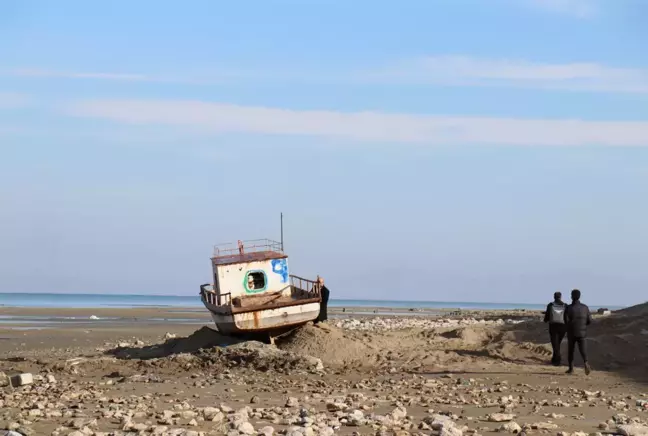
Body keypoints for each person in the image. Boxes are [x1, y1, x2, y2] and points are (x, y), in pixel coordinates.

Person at [565, 289, 592, 375]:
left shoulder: (569, 308)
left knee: (571, 350)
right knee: (583, 350)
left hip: (572, 332)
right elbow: (589, 320)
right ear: (579, 296)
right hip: (582, 332)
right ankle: (586, 362)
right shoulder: (585, 307)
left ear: (571, 296)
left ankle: (571, 369)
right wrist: (583, 325)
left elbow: (565, 320)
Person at [544, 291, 567, 366]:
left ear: (554, 297)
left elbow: (546, 317)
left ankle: (557, 360)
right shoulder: (565, 305)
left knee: (555, 344)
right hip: (563, 327)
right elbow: (567, 317)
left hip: (553, 326)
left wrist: (546, 320)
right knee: (557, 344)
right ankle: (554, 359)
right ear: (560, 297)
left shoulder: (550, 305)